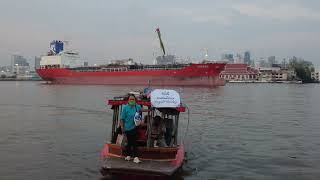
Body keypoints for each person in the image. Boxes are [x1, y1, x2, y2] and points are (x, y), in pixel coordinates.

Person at [120, 95, 142, 163]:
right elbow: (122, 119)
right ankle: (128, 156)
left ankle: (136, 157)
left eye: (133, 99)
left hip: (135, 127)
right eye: (130, 99)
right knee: (129, 142)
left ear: (135, 100)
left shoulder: (138, 107)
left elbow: (140, 113)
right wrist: (122, 128)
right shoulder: (125, 108)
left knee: (134, 142)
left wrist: (139, 121)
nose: (132, 100)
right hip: (127, 128)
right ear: (128, 100)